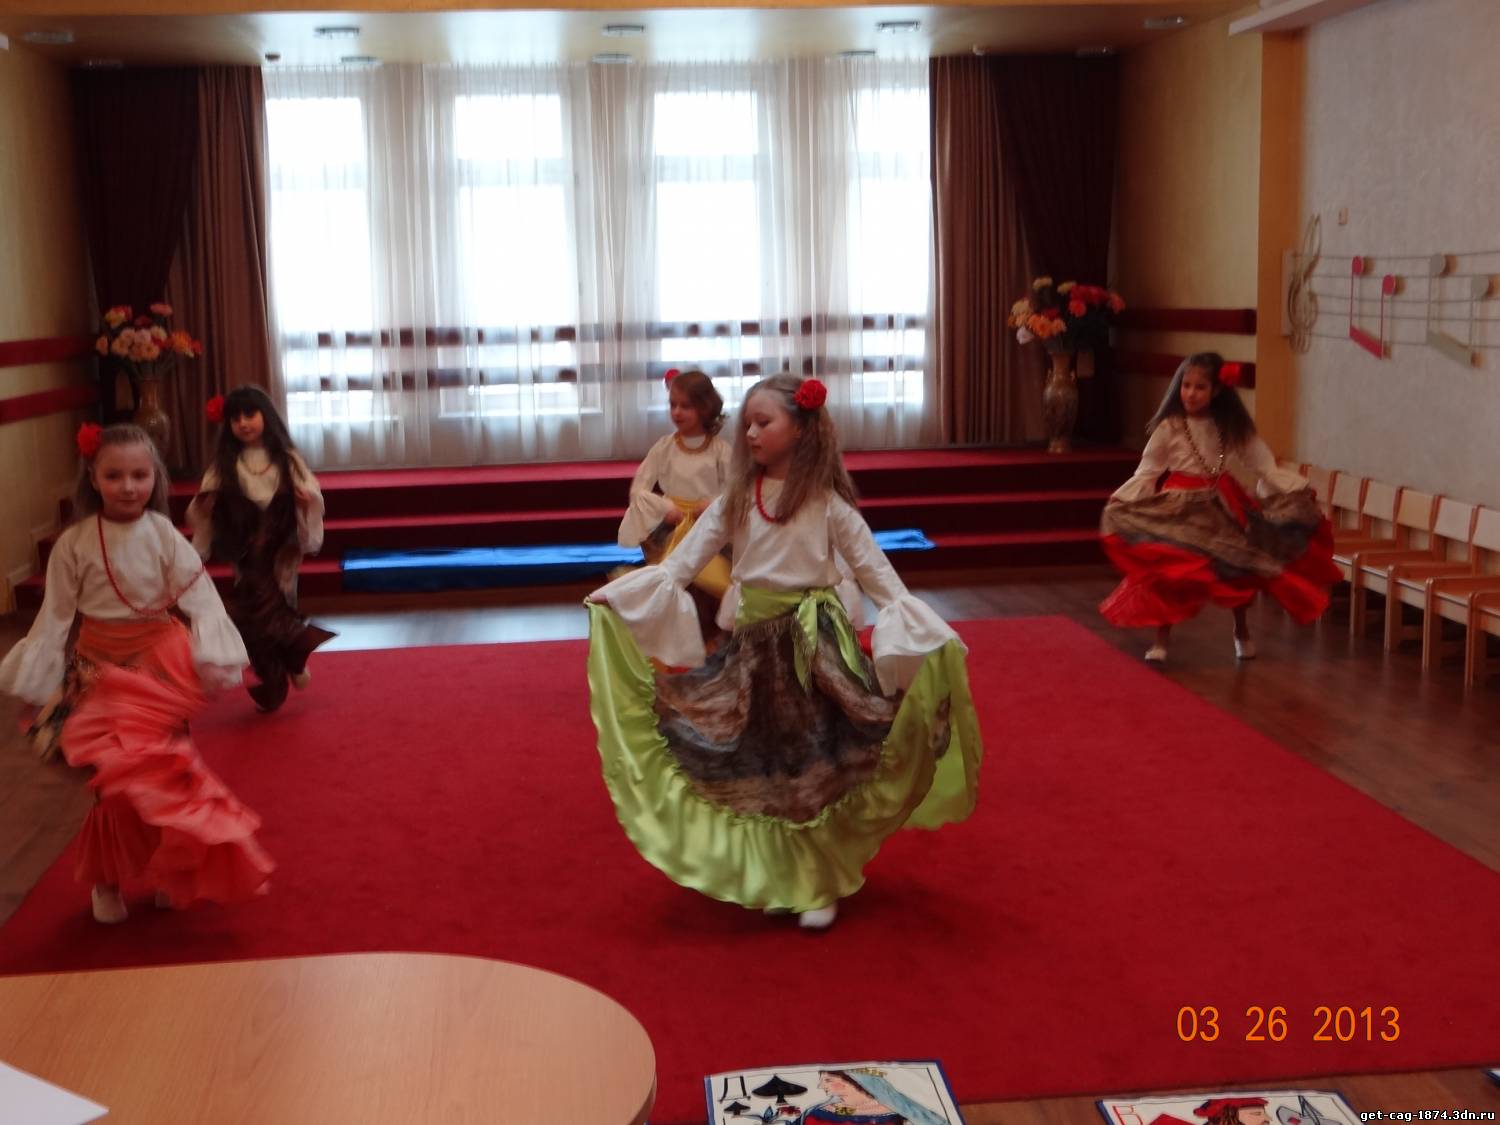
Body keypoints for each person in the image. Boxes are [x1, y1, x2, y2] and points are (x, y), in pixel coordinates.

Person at [585, 373, 982, 930]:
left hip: (816, 651)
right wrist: (621, 597)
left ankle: (815, 880)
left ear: (800, 430)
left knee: (812, 765)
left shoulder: (827, 504)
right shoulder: (737, 499)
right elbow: (682, 563)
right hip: (754, 653)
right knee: (764, 761)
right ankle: (780, 873)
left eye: (763, 422)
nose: (749, 433)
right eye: (747, 423)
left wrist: (921, 629)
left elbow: (877, 574)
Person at [0, 423, 274, 923]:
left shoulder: (164, 534)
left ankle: (171, 873)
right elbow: (55, 615)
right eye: (114, 476)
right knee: (112, 783)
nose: (128, 487)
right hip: (96, 669)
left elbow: (200, 597)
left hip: (160, 669)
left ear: (155, 478)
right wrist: (38, 678)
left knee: (168, 778)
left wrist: (212, 656)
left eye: (139, 476)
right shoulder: (74, 543)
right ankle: (106, 883)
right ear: (93, 478)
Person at [1099, 352, 1339, 663]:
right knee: (1171, 570)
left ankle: (1242, 631)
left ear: (1216, 390)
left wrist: (1292, 487)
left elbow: (1262, 463)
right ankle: (1161, 639)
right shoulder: (1170, 426)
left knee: (1235, 568)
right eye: (1186, 385)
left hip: (1222, 504)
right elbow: (1148, 471)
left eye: (1199, 387)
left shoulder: (1231, 426)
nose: (1190, 393)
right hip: (1179, 508)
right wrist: (1124, 499)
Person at [187, 386, 334, 712]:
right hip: (244, 544)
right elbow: (205, 501)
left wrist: (305, 502)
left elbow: (311, 493)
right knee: (254, 607)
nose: (243, 423)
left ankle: (282, 667)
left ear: (265, 415)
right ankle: (290, 656)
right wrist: (208, 506)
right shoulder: (225, 464)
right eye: (235, 418)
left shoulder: (286, 459)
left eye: (249, 414)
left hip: (279, 545)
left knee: (270, 603)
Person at [615, 369, 733, 631]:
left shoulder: (720, 451)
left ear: (705, 408)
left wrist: (713, 504)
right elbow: (639, 489)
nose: (677, 412)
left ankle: (708, 630)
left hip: (708, 526)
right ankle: (674, 629)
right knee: (672, 577)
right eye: (673, 405)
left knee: (711, 576)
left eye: (685, 406)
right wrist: (663, 507)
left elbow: (736, 488)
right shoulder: (664, 448)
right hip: (672, 523)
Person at [802, 1069, 949, 1125]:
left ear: (851, 1081)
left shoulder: (894, 1111)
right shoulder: (820, 1112)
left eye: (828, 1080)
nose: (820, 1086)